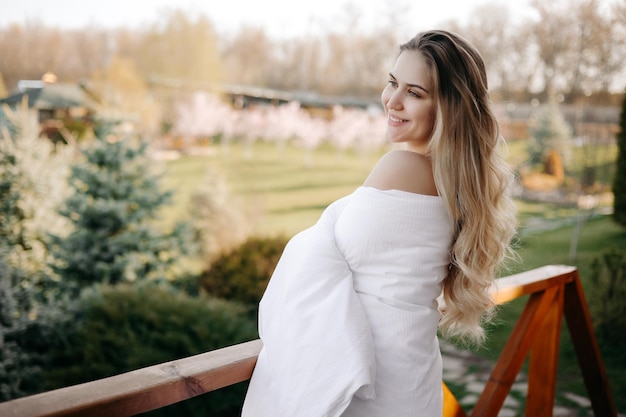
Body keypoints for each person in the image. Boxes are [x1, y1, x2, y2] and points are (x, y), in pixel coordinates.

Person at [241, 29, 517, 417]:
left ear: (447, 108)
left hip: (376, 389)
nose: (393, 100)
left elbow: (333, 250)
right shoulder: (455, 183)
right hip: (414, 377)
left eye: (414, 93)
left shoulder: (402, 167)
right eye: (392, 83)